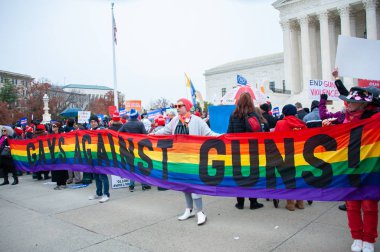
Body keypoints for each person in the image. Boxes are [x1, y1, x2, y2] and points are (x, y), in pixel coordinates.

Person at [152, 98, 219, 226]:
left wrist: (222, 137)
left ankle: (200, 212)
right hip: (179, 159)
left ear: (187, 107)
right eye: (176, 105)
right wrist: (151, 134)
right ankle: (189, 210)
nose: (177, 108)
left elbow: (209, 133)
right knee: (184, 186)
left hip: (193, 159)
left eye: (180, 105)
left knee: (194, 185)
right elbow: (164, 131)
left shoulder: (197, 121)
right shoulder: (174, 121)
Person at [335, 85, 378, 252]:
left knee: (369, 205)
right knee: (352, 205)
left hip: (370, 167)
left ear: (363, 105)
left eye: (352, 102)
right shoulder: (344, 118)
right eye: (348, 101)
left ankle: (369, 240)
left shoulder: (375, 117)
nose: (349, 104)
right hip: (349, 166)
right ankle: (357, 237)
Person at [227, 93, 264, 210]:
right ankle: (253, 202)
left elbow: (229, 133)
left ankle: (240, 202)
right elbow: (260, 133)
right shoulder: (254, 114)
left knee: (239, 175)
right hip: (252, 150)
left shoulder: (233, 115)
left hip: (237, 150)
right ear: (250, 102)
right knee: (252, 175)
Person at [274, 104, 307, 211]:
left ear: (284, 112)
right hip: (300, 154)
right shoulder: (302, 124)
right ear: (295, 113)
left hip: (286, 154)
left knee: (288, 177)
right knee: (299, 177)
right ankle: (300, 202)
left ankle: (290, 203)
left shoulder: (280, 123)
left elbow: (276, 138)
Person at [119, 108, 151, 192]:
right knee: (140, 166)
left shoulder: (126, 124)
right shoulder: (140, 124)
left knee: (131, 167)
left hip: (129, 148)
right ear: (137, 115)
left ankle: (131, 185)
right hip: (139, 148)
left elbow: (118, 133)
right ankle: (144, 185)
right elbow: (145, 135)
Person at [87, 115, 110, 203]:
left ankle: (106, 194)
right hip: (93, 156)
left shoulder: (102, 129)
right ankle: (98, 193)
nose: (93, 123)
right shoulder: (90, 131)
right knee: (96, 176)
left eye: (94, 121)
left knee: (103, 176)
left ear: (97, 122)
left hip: (102, 156)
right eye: (91, 122)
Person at [50, 122, 68, 190]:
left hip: (61, 155)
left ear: (58, 127)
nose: (53, 128)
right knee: (55, 169)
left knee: (62, 169)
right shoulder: (51, 135)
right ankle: (58, 183)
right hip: (54, 155)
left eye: (54, 126)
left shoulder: (62, 134)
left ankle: (63, 183)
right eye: (52, 126)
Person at [65, 118, 82, 184]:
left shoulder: (65, 129)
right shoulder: (73, 130)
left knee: (69, 163)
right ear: (73, 123)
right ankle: (77, 179)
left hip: (67, 148)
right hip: (73, 148)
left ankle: (70, 178)